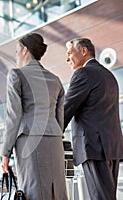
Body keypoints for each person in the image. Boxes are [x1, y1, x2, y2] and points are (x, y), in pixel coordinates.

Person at [1, 32, 68, 200]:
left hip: (29, 141)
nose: (16, 56)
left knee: (33, 191)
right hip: (54, 141)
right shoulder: (56, 80)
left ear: (24, 50)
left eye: (17, 51)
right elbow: (60, 117)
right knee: (57, 191)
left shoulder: (16, 75)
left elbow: (13, 117)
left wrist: (5, 152)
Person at [64, 38, 123, 200]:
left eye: (70, 53)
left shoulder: (83, 73)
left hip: (94, 147)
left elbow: (65, 109)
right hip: (112, 147)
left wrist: (50, 134)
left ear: (83, 51)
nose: (67, 59)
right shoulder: (109, 75)